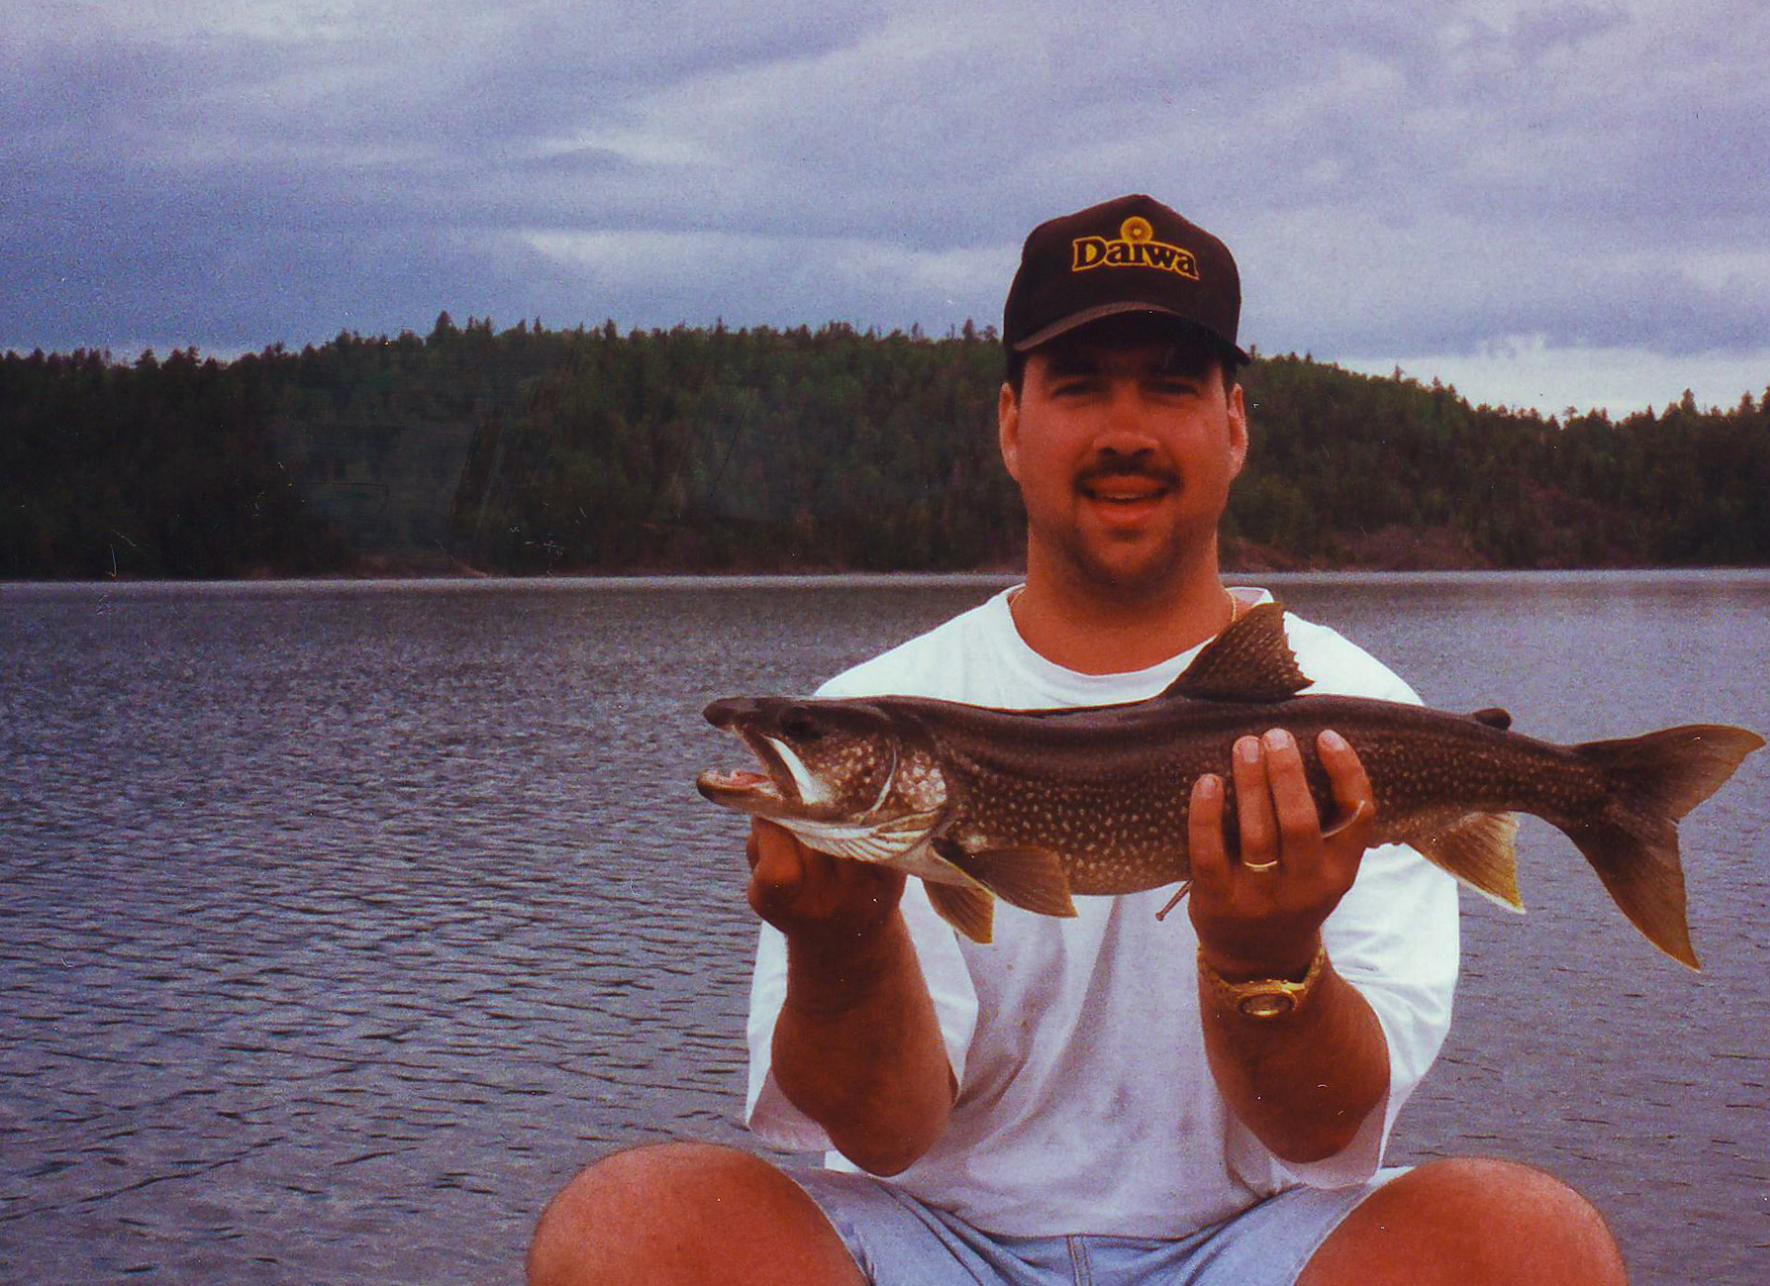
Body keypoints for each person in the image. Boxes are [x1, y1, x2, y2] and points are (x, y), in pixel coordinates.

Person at [529, 195, 1627, 1284]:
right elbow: (886, 1134)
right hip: (927, 1241)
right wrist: (842, 941)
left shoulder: (1353, 715)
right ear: (1010, 422)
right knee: (627, 1225)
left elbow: (1323, 1136)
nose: (1125, 429)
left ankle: (1612, 804)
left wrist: (1270, 963)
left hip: (1260, 1245)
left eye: (1171, 385)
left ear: (1235, 425)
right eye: (1079, 385)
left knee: (1535, 1247)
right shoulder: (883, 700)